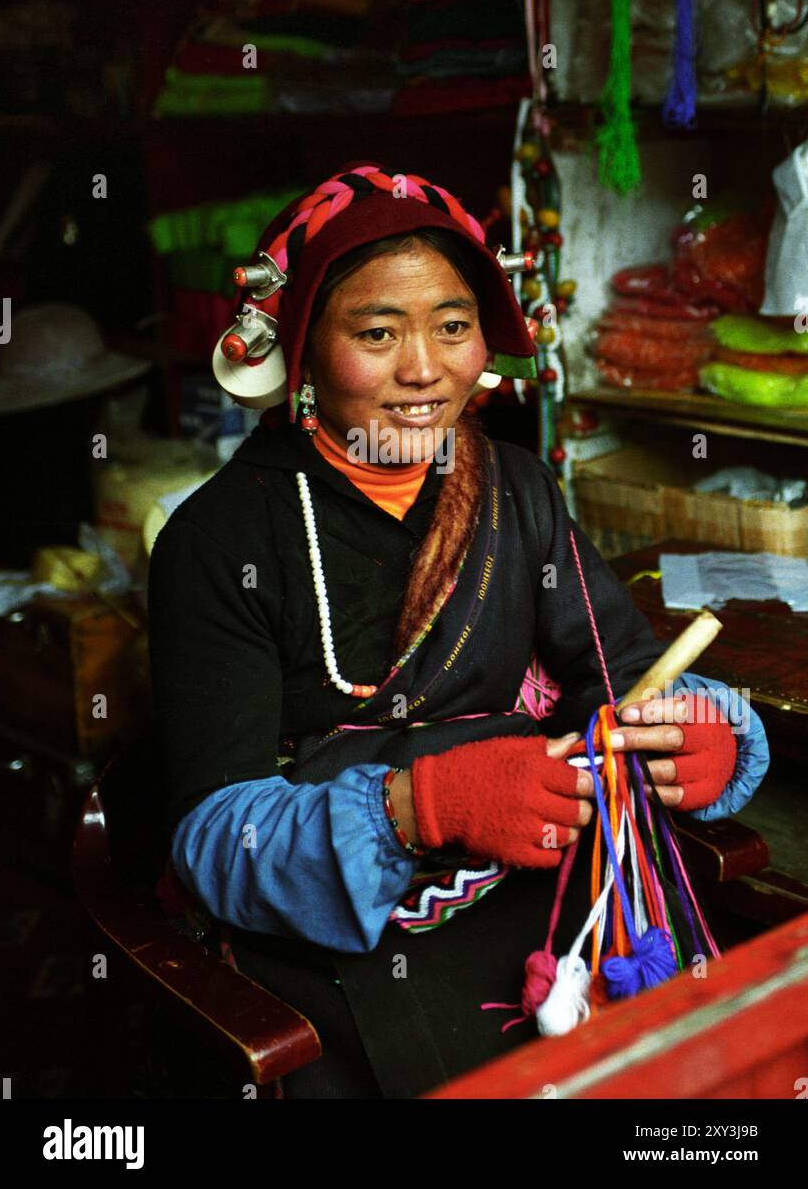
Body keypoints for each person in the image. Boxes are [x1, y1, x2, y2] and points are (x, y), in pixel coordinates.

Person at [147, 161, 770, 1099]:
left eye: (452, 326)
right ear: (305, 347)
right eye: (376, 332)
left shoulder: (511, 486)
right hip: (343, 933)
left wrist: (688, 734)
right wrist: (418, 808)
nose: (424, 370)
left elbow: (621, 672)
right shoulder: (219, 540)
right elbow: (212, 841)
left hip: (552, 886)